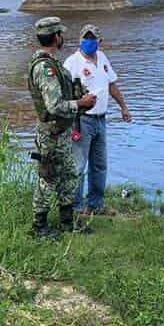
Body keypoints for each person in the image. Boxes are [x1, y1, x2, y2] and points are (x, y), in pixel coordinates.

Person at [27, 17, 98, 237]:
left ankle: (67, 222)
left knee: (69, 175)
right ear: (56, 36)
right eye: (61, 34)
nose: (63, 38)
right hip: (51, 135)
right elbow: (54, 105)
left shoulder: (55, 64)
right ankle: (39, 227)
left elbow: (64, 95)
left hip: (63, 132)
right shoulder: (44, 68)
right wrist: (81, 104)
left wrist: (80, 95)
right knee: (47, 179)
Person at [63, 24, 132, 215]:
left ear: (100, 42)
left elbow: (112, 85)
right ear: (80, 40)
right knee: (78, 166)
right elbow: (63, 94)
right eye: (86, 39)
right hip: (81, 120)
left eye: (93, 39)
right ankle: (75, 208)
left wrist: (123, 107)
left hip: (101, 119)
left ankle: (96, 204)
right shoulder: (72, 63)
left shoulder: (102, 58)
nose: (89, 42)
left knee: (100, 164)